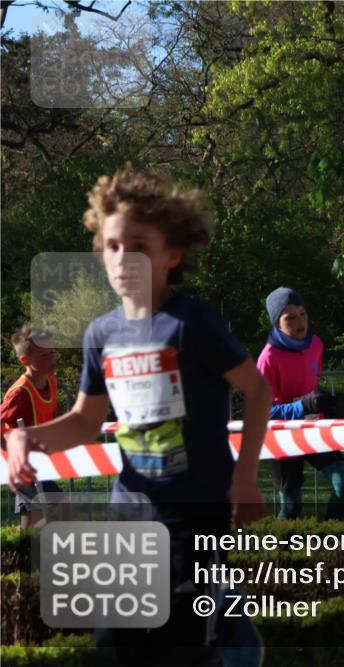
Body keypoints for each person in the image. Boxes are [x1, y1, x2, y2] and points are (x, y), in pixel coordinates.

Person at [4, 166, 272, 666]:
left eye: (139, 247)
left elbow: (258, 390)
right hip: (129, 516)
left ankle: (234, 642)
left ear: (171, 256)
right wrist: (26, 440)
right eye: (111, 246)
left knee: (182, 648)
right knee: (114, 646)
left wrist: (247, 477)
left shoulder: (192, 322)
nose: (122, 258)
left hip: (195, 516)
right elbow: (84, 422)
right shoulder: (100, 335)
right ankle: (233, 635)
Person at [257, 286, 344, 520]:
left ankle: (330, 542)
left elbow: (312, 385)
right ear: (277, 324)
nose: (299, 321)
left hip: (313, 429)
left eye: (302, 313)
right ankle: (278, 555)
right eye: (290, 317)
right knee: (291, 507)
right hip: (282, 436)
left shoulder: (316, 344)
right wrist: (304, 406)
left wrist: (323, 402)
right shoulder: (268, 358)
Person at [1, 324, 63, 528]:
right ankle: (30, 550)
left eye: (52, 353)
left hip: (39, 462)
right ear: (25, 361)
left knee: (33, 515)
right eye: (44, 356)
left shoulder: (51, 382)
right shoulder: (19, 394)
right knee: (57, 508)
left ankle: (19, 554)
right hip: (21, 463)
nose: (51, 359)